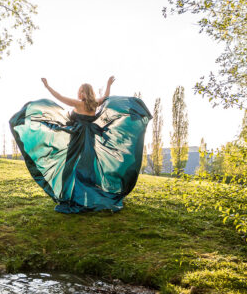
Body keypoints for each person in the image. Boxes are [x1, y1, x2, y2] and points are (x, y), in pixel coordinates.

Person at [9, 76, 151, 214]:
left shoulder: (79, 104)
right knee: (86, 168)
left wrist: (47, 86)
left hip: (78, 139)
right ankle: (81, 197)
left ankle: (71, 197)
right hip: (90, 139)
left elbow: (60, 97)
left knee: (72, 167)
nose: (79, 93)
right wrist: (108, 85)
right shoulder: (94, 103)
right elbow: (106, 97)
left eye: (81, 91)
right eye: (79, 91)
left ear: (86, 92)